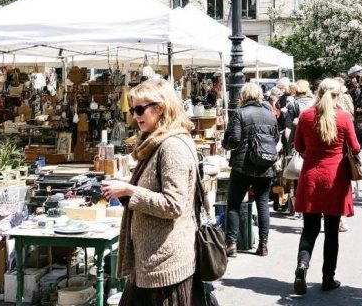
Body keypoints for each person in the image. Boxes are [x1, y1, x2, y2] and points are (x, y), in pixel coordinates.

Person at [100, 79, 198, 305]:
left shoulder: (171, 146)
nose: (135, 115)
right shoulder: (156, 143)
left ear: (160, 108)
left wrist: (129, 190)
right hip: (151, 261)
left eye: (140, 109)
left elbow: (174, 205)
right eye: (134, 109)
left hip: (165, 264)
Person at [292, 78, 360, 295]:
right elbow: (356, 147)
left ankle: (302, 265)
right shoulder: (344, 117)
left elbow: (298, 146)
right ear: (338, 95)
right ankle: (327, 278)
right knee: (332, 232)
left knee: (309, 229)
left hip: (311, 176)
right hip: (335, 178)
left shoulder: (306, 116)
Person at [222, 82, 279, 257]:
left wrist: (227, 144)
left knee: (234, 203)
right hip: (265, 165)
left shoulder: (240, 112)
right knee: (262, 204)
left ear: (243, 96)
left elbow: (235, 139)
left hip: (242, 165)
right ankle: (263, 245)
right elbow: (275, 138)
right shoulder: (269, 114)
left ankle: (231, 244)